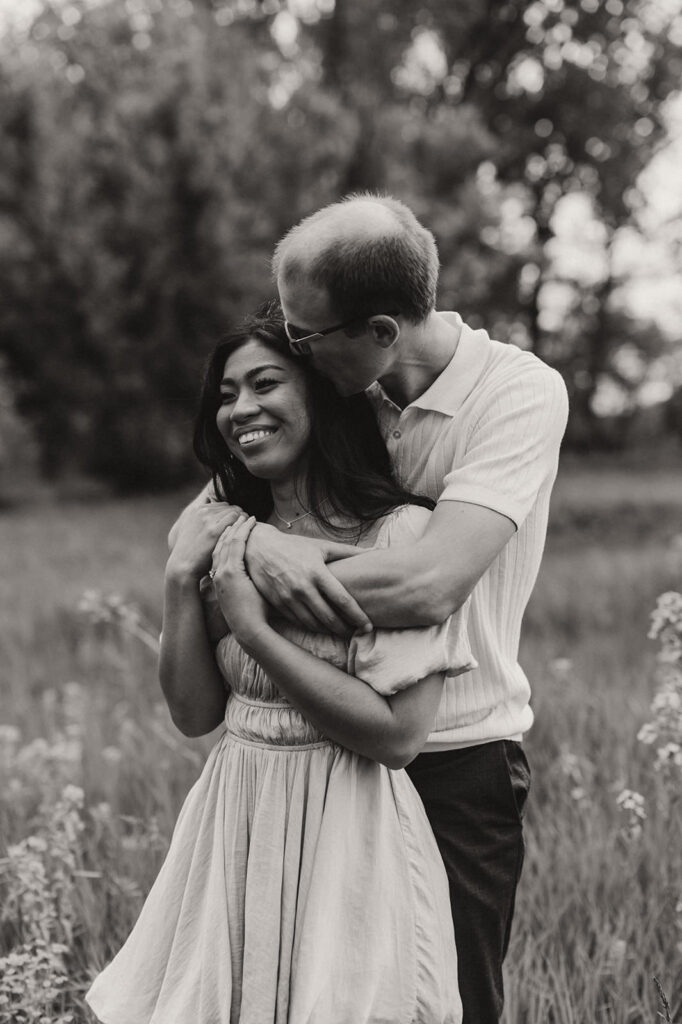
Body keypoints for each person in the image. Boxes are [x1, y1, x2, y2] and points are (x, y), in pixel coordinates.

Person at [173, 193, 569, 1022]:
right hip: (316, 763)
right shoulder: (340, 389)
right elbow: (211, 521)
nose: (294, 349)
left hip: (454, 757)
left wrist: (254, 572)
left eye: (306, 337)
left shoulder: (516, 394)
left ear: (380, 332)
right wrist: (243, 540)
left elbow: (428, 582)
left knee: (446, 1000)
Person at [86, 309, 476, 1024]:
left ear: (323, 396)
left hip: (345, 825)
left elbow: (396, 738)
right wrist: (180, 581)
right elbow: (194, 714)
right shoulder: (230, 529)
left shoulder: (397, 535)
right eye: (227, 395)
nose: (241, 410)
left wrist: (254, 629)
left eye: (264, 384)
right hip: (235, 812)